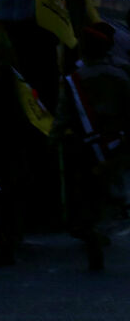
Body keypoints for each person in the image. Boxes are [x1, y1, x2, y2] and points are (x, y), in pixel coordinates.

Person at [58, 21, 130, 271]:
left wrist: (54, 137)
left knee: (86, 190)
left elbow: (64, 114)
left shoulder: (74, 79)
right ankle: (102, 227)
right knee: (110, 188)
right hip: (116, 143)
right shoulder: (122, 74)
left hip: (84, 145)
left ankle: (89, 228)